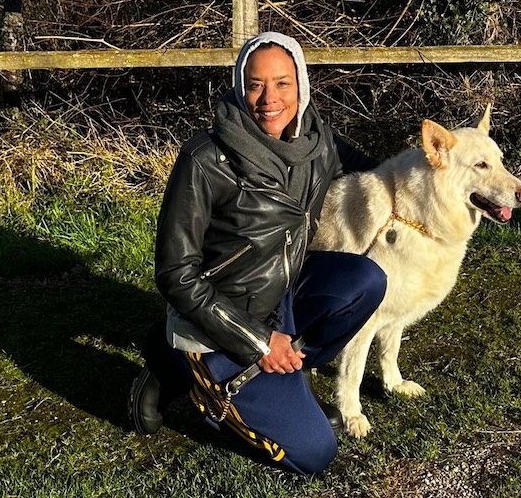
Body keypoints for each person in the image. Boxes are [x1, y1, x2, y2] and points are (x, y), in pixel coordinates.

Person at [128, 31, 386, 474]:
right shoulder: (205, 160)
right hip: (223, 320)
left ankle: (286, 381)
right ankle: (178, 364)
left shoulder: (318, 142)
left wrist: (436, 172)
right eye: (255, 84)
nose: (269, 99)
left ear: (301, 85)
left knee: (366, 281)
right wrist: (259, 340)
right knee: (315, 453)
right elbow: (175, 274)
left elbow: (378, 176)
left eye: (282, 83)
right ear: (237, 84)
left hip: (281, 294)